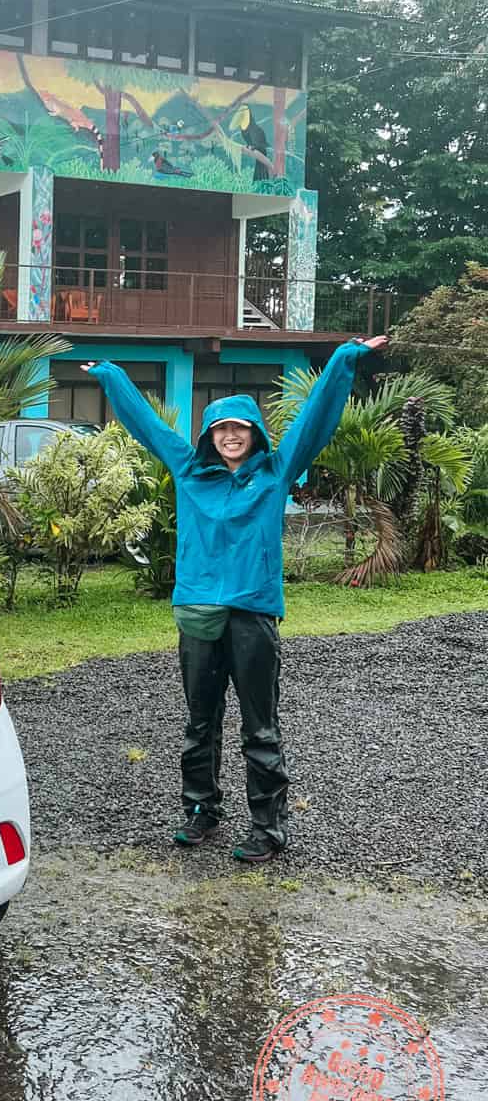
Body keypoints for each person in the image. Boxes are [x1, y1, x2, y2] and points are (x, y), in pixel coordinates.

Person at [84, 337, 388, 864]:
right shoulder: (187, 469)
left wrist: (343, 359)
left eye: (239, 429)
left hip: (252, 613)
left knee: (259, 725)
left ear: (255, 434)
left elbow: (315, 420)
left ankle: (268, 827)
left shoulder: (275, 472)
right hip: (199, 611)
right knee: (199, 719)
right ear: (209, 435)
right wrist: (111, 376)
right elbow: (149, 427)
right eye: (221, 429)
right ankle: (201, 809)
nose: (230, 437)